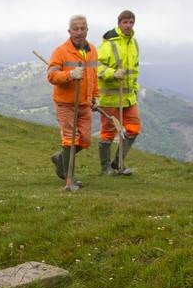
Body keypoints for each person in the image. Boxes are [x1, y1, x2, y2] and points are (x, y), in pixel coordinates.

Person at [46, 15, 98, 192]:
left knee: (84, 140)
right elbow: (51, 75)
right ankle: (70, 180)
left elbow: (93, 77)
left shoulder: (92, 50)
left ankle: (60, 158)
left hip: (83, 103)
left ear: (87, 30)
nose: (79, 32)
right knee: (70, 139)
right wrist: (69, 75)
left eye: (82, 28)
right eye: (75, 28)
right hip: (66, 104)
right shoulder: (60, 51)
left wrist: (95, 97)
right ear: (69, 31)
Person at [96, 10, 140, 176]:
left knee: (134, 129)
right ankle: (105, 168)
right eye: (125, 22)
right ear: (119, 23)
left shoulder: (134, 44)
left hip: (129, 98)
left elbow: (135, 69)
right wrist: (113, 73)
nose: (128, 25)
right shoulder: (109, 43)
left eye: (131, 22)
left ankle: (118, 163)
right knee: (108, 133)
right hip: (110, 97)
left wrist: (135, 89)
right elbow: (97, 67)